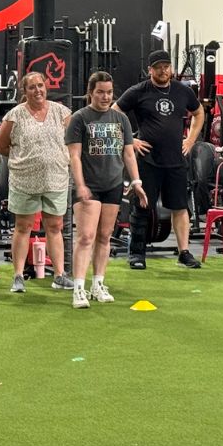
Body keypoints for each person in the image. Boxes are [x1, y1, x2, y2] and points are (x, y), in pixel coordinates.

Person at [114, 49, 204, 270]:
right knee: (142, 206)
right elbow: (114, 114)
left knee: (180, 207)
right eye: (158, 67)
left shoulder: (183, 91)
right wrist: (131, 141)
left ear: (170, 68)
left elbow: (199, 112)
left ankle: (184, 253)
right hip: (148, 160)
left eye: (166, 66)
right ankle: (136, 253)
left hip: (176, 160)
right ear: (150, 70)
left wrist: (191, 140)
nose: (163, 71)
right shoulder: (138, 91)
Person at [66, 71, 147, 308]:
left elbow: (128, 153)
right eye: (100, 92)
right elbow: (75, 156)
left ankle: (98, 284)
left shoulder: (121, 120)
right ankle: (78, 288)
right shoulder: (80, 118)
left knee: (104, 236)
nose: (105, 96)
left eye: (109, 92)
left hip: (113, 185)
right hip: (88, 186)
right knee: (85, 237)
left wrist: (136, 183)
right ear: (90, 92)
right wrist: (80, 185)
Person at [0, 72, 74, 295]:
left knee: (55, 227)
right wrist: (24, 158)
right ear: (25, 91)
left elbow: (74, 140)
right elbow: (0, 147)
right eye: (32, 87)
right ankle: (18, 276)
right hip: (24, 181)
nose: (37, 90)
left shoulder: (61, 112)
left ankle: (59, 275)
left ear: (46, 87)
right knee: (23, 227)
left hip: (55, 179)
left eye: (41, 85)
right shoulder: (15, 115)